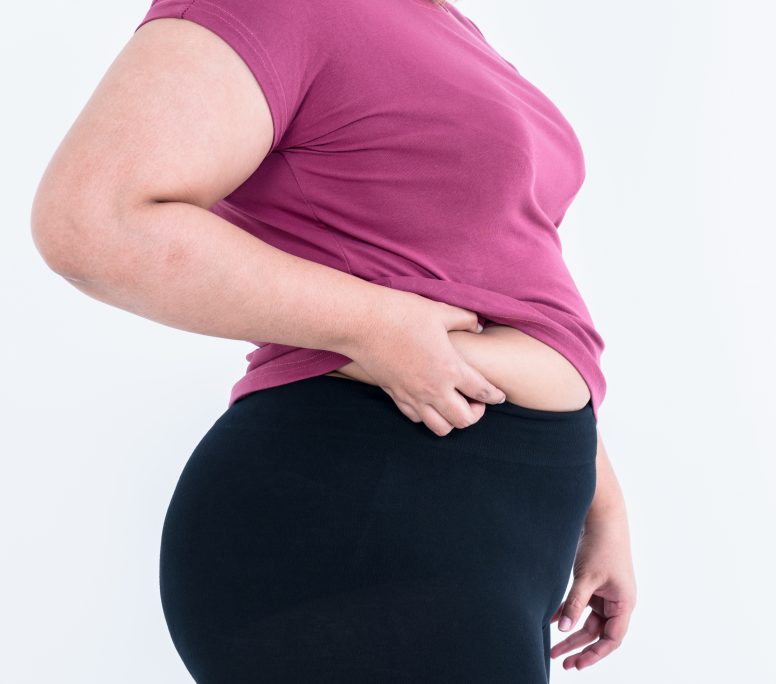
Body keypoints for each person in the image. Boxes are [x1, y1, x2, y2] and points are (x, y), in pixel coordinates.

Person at [30, 0, 637, 680]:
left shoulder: (443, 25)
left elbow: (508, 279)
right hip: (364, 513)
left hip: (494, 528)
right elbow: (94, 221)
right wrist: (371, 324)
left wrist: (597, 498)